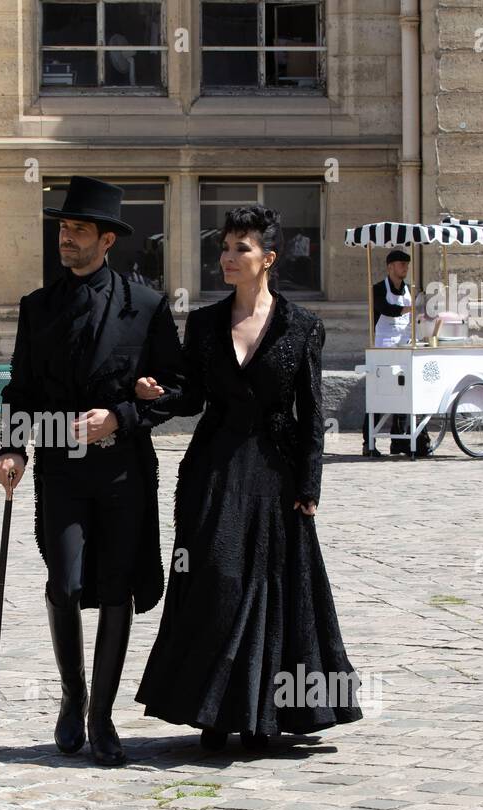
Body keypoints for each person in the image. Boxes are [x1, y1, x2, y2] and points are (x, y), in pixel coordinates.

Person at [133, 204, 363, 750]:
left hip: (277, 472)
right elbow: (193, 394)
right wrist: (158, 394)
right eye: (225, 247)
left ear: (269, 258)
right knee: (216, 580)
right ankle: (213, 710)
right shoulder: (206, 321)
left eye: (242, 248)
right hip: (214, 467)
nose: (229, 257)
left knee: (275, 589)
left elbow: (310, 413)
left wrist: (310, 486)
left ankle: (264, 715)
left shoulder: (302, 325)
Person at [0, 176, 186, 767]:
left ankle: (102, 716)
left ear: (107, 240)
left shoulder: (147, 306)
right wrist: (12, 450)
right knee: (67, 584)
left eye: (77, 229)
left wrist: (124, 415)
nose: (65, 238)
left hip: (123, 472)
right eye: (62, 228)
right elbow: (20, 388)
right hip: (61, 471)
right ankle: (72, 696)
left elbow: (178, 390)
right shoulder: (37, 307)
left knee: (116, 592)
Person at [366, 249, 430, 457]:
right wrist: (411, 310)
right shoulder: (377, 289)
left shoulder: (409, 290)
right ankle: (369, 443)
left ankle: (398, 439)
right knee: (378, 395)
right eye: (401, 264)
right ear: (390, 266)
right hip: (383, 348)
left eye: (407, 265)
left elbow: (414, 319)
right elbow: (386, 309)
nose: (405, 268)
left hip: (404, 346)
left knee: (405, 393)